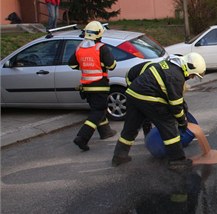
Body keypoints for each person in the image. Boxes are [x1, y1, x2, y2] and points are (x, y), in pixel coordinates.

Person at [111, 52, 206, 170]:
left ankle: (119, 156)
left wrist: (183, 111)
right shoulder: (176, 76)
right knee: (168, 125)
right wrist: (182, 122)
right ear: (189, 67)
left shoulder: (169, 66)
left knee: (130, 127)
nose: (191, 78)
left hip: (133, 95)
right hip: (148, 98)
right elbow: (175, 105)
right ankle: (177, 161)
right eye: (193, 75)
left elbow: (177, 99)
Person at [68, 21, 117, 151]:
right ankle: (82, 137)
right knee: (98, 111)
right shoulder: (101, 48)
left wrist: (84, 66)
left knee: (98, 110)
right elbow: (112, 66)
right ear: (100, 34)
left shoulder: (80, 48)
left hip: (86, 87)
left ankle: (106, 132)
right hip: (100, 85)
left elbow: (72, 64)